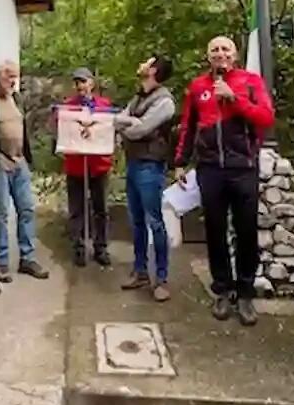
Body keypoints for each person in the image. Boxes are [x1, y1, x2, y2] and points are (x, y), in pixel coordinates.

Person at [174, 36, 274, 326]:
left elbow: (266, 118)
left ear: (235, 54)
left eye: (225, 49)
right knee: (215, 229)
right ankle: (222, 289)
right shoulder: (197, 86)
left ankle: (244, 292)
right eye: (214, 50)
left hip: (243, 167)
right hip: (210, 169)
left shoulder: (251, 81)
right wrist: (181, 162)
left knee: (246, 231)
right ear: (208, 56)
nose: (220, 54)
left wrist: (235, 98)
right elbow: (188, 126)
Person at [0, 61, 50, 282]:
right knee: (2, 213)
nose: (13, 81)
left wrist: (26, 156)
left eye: (15, 77)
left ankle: (27, 258)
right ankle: (2, 263)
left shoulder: (16, 99)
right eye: (9, 77)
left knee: (26, 209)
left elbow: (22, 128)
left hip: (19, 161)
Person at [116, 55, 176, 302]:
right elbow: (118, 120)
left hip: (150, 166)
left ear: (153, 70)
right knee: (136, 221)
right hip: (133, 164)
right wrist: (130, 122)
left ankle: (161, 279)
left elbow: (140, 130)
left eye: (146, 61)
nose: (140, 63)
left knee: (155, 221)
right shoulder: (139, 96)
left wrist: (128, 125)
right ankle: (140, 272)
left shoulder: (165, 101)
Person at [62, 67, 114, 268]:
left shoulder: (104, 105)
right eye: (77, 82)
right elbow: (62, 130)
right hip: (76, 165)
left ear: (92, 83)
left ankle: (101, 247)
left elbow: (109, 130)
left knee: (100, 208)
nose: (80, 86)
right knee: (77, 209)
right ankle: (79, 246)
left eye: (83, 81)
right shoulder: (68, 107)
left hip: (98, 165)